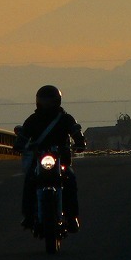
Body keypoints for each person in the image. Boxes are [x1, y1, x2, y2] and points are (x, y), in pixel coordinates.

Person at [14, 85, 86, 231]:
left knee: (70, 180)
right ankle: (28, 216)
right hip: (39, 160)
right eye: (43, 101)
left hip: (61, 161)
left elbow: (75, 131)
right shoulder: (33, 120)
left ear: (57, 101)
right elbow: (24, 134)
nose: (46, 104)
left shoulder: (65, 119)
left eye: (49, 101)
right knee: (29, 181)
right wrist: (19, 144)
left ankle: (72, 217)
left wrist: (79, 142)